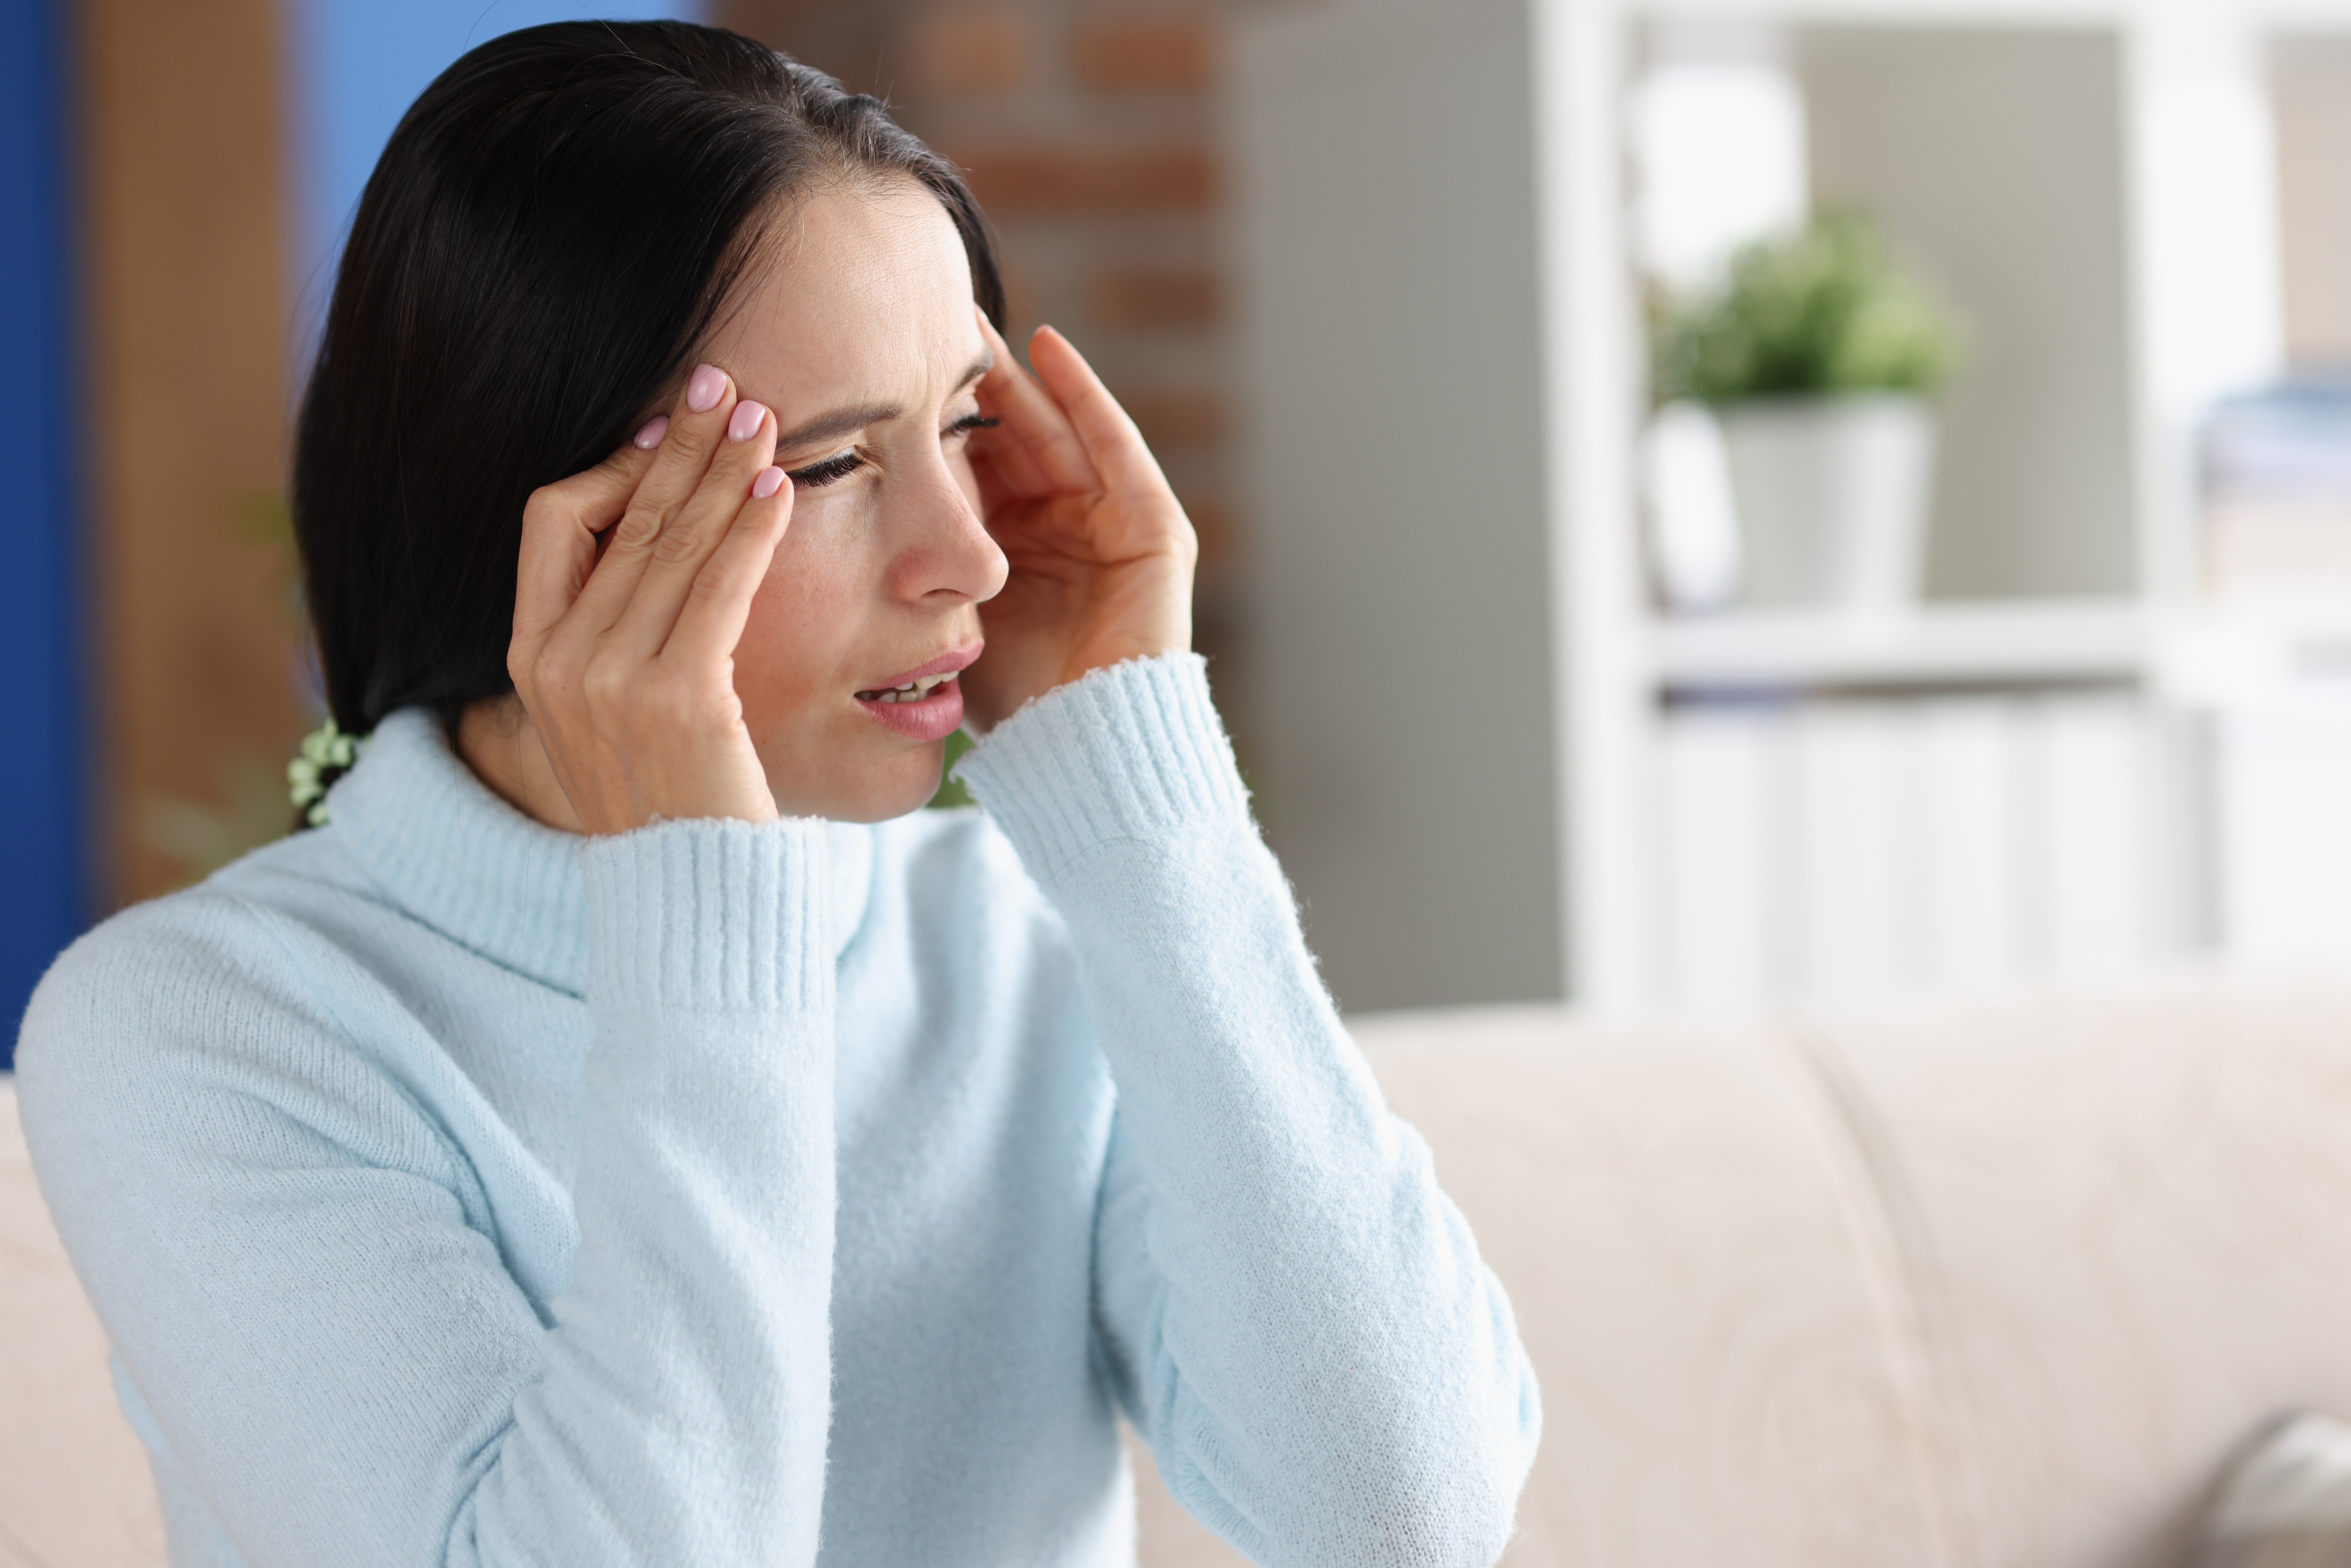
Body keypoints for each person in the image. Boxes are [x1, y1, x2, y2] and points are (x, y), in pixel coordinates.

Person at [15, 21, 1539, 1567]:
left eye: (963, 425)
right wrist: (693, 884)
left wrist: (1147, 803)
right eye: (826, 466)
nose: (976, 553)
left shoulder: (1022, 934)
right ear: (553, 532)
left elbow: (1405, 1517)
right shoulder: (202, 1029)